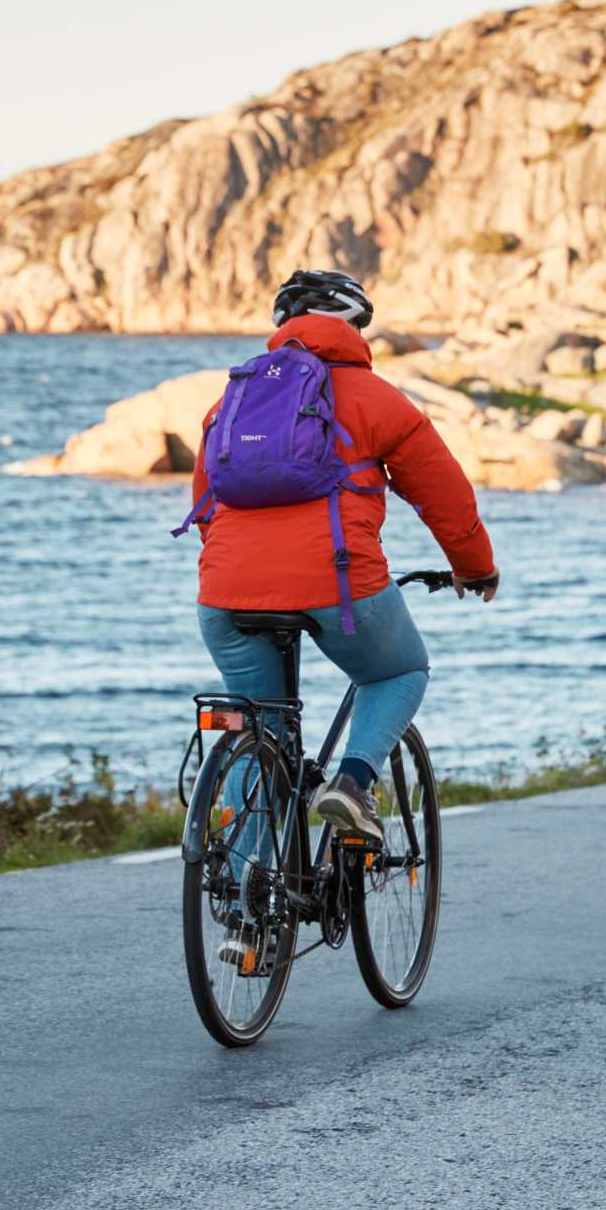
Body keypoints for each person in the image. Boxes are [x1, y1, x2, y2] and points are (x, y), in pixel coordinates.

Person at [187, 269, 498, 842]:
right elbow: (445, 496)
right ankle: (353, 786)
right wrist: (475, 566)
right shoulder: (378, 398)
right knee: (400, 671)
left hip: (225, 596)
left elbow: (206, 505)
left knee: (259, 727)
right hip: (338, 587)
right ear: (353, 328)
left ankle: (243, 916)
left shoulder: (231, 397)